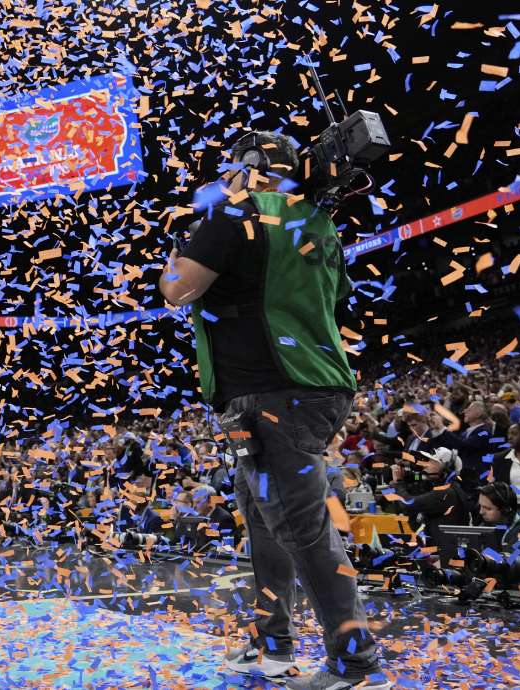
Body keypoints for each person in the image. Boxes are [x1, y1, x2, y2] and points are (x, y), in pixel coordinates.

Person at [159, 131, 388, 689]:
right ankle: (273, 644)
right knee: (264, 518)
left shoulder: (235, 212)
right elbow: (334, 301)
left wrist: (183, 243)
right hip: (310, 386)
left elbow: (177, 290)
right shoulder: (316, 220)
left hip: (273, 391)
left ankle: (355, 664)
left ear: (250, 167)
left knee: (299, 524)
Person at [477, 482, 520, 548]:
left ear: (505, 510)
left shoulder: (519, 529)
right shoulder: (486, 525)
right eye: (480, 506)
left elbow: (513, 556)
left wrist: (489, 555)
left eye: (487, 508)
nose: (481, 512)